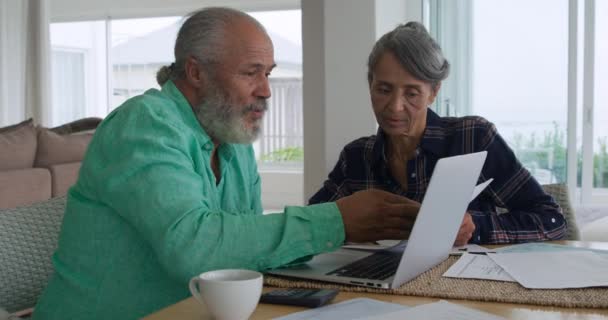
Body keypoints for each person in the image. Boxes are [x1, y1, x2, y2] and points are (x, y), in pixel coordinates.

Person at [33, 8, 419, 320]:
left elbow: (243, 251)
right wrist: (335, 221)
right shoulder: (145, 125)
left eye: (267, 74)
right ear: (196, 72)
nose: (266, 90)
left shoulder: (232, 141)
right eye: (251, 72)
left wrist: (347, 231)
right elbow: (194, 249)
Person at [309, 22, 567, 246]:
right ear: (370, 84)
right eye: (384, 89)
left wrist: (476, 227)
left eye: (411, 93)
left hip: (462, 291)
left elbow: (551, 219)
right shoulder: (356, 157)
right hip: (376, 289)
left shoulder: (474, 138)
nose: (395, 107)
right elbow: (308, 226)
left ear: (434, 92)